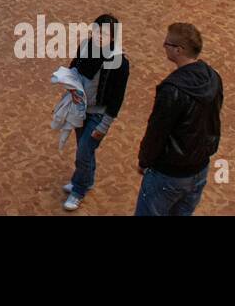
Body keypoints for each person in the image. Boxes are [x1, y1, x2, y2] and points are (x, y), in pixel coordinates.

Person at [134, 23, 224, 217]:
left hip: (169, 174)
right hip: (199, 169)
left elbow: (157, 132)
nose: (163, 46)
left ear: (179, 50)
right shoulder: (214, 77)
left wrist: (144, 160)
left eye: (166, 43)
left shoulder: (171, 90)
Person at [62, 15, 129, 211]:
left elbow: (117, 98)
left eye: (106, 33)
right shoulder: (85, 47)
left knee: (84, 151)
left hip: (98, 115)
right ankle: (84, 179)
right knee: (84, 149)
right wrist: (69, 86)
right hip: (80, 108)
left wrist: (104, 125)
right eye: (97, 31)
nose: (100, 36)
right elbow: (73, 68)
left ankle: (79, 190)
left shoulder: (119, 63)